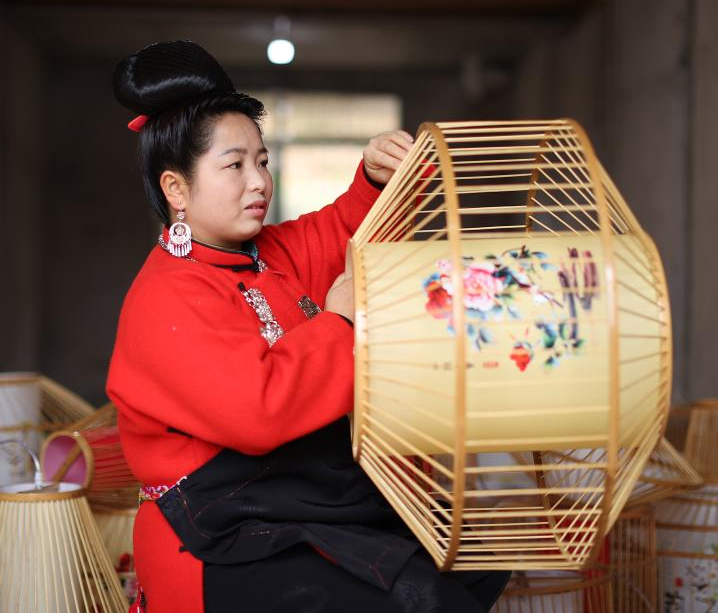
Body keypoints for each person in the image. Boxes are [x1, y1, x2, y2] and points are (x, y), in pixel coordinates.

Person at [106, 40, 508, 613]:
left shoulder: (263, 252)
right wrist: (340, 320)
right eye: (235, 165)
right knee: (422, 596)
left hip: (291, 498)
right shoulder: (165, 296)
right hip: (219, 535)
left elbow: (341, 230)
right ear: (176, 189)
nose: (258, 182)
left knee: (475, 555)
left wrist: (375, 178)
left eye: (262, 161)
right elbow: (259, 410)